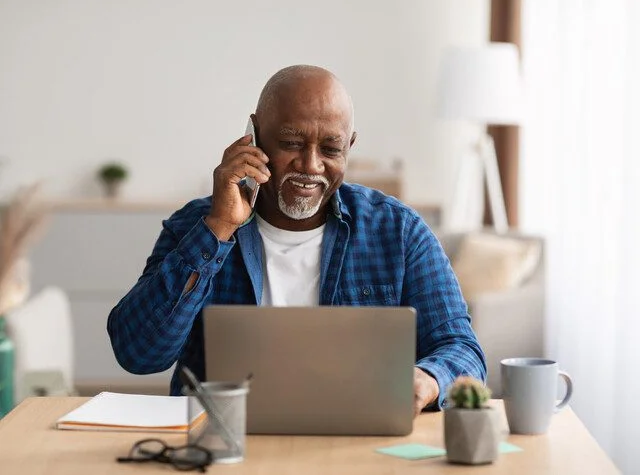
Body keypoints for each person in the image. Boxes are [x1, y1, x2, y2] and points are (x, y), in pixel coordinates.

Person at [107, 65, 486, 416]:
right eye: (291, 143)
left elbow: (462, 350)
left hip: (354, 443)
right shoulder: (196, 226)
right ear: (253, 137)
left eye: (331, 149)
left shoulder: (398, 231)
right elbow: (138, 354)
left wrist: (429, 378)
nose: (311, 165)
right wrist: (219, 228)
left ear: (349, 146)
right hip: (222, 441)